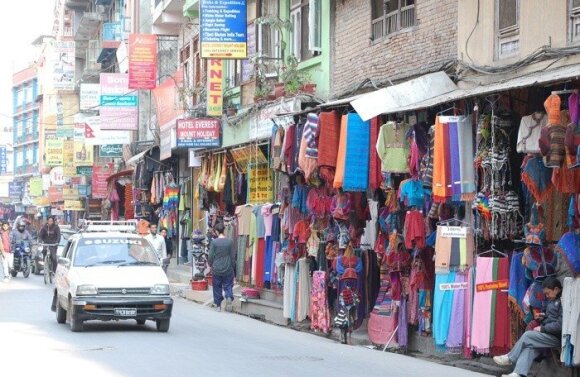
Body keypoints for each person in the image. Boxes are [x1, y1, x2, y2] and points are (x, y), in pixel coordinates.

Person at [493, 277, 563, 377]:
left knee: (527, 335)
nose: (547, 296)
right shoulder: (552, 301)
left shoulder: (563, 302)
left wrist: (542, 328)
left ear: (556, 289)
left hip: (555, 337)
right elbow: (551, 318)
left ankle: (509, 358)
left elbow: (560, 325)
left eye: (548, 293)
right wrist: (542, 317)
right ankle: (518, 374)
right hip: (547, 335)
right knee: (529, 347)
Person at [207, 222, 235, 312]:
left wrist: (210, 264)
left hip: (217, 268)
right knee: (227, 285)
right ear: (224, 230)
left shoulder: (214, 242)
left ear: (216, 232)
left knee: (217, 286)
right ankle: (229, 296)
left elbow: (210, 256)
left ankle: (218, 305)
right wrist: (233, 267)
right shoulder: (230, 241)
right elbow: (232, 256)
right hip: (228, 267)